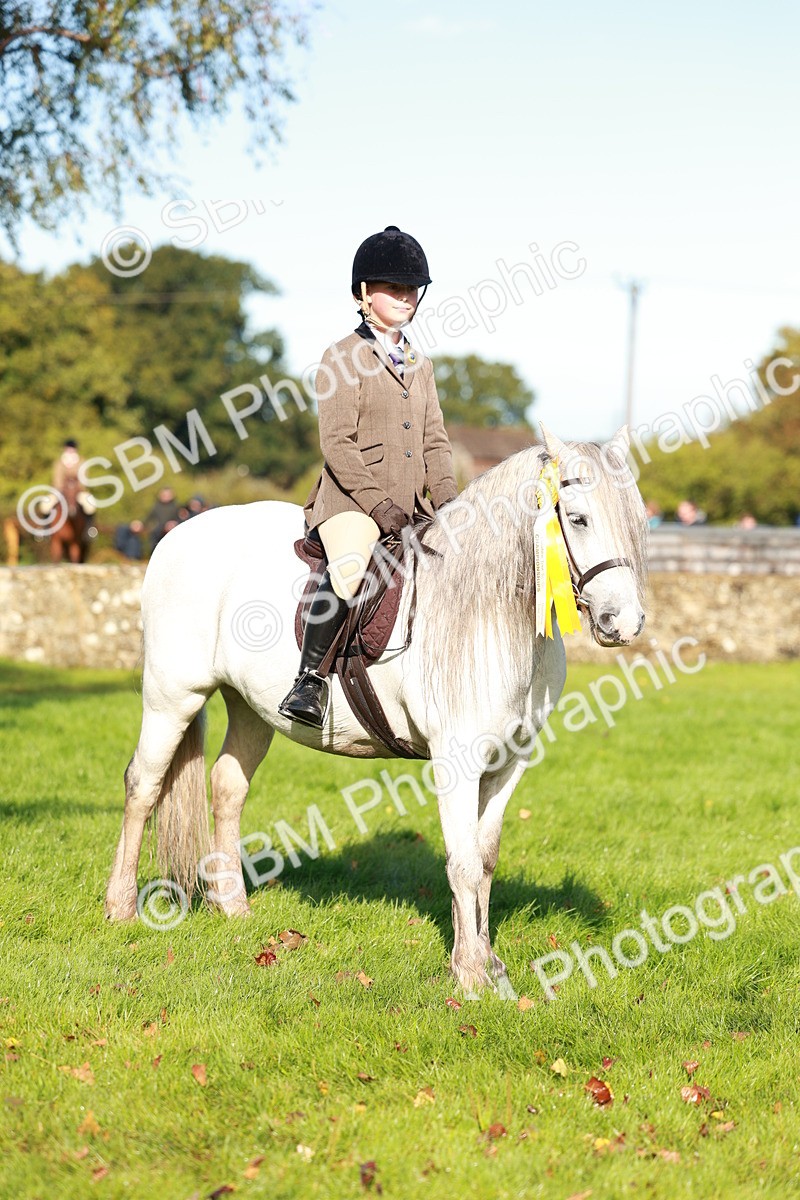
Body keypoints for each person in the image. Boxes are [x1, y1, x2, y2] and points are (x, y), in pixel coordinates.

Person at [279, 225, 458, 728]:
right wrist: (378, 506)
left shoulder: (421, 364)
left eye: (411, 289)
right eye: (393, 288)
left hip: (411, 506)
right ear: (363, 293)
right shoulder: (342, 356)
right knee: (352, 567)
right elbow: (337, 445)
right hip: (352, 504)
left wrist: (448, 503)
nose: (405, 297)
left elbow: (436, 442)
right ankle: (309, 680)